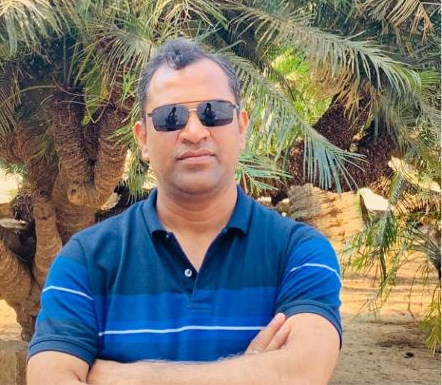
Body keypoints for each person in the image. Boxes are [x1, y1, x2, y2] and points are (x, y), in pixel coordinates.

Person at [27, 38, 341, 384]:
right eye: (171, 117)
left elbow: (302, 372)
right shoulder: (85, 260)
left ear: (241, 128)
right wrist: (253, 371)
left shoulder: (299, 253)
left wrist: (121, 377)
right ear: (143, 139)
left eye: (213, 112)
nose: (193, 132)